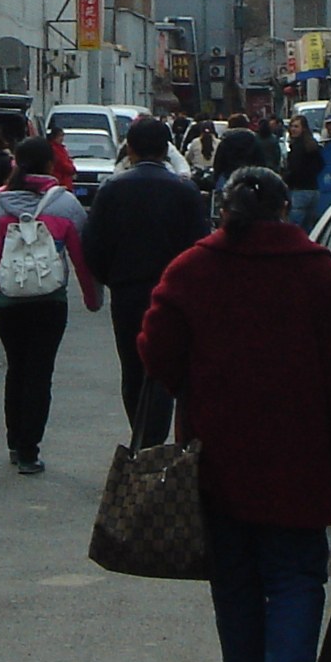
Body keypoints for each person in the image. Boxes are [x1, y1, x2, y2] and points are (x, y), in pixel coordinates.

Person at [139, 166, 331, 662]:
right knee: (296, 578)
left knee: (236, 582)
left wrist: (198, 389)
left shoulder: (191, 270)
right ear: (284, 211)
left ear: (223, 211)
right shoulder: (317, 274)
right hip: (302, 459)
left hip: (219, 456)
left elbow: (155, 348)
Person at [0, 137, 99, 475]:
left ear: (15, 164)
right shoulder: (65, 204)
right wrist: (93, 298)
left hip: (9, 300)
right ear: (50, 165)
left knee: (17, 369)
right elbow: (83, 256)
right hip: (50, 301)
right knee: (40, 373)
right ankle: (29, 451)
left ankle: (13, 441)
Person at [80, 116, 210, 444]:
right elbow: (200, 245)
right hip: (174, 295)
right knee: (166, 367)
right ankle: (155, 440)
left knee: (133, 367)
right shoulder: (185, 191)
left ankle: (142, 438)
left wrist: (113, 277)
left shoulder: (112, 189)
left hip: (128, 291)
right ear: (167, 149)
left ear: (131, 149)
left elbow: (92, 245)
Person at [281, 114, 324, 226]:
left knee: (295, 228)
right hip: (313, 189)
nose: (293, 129)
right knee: (310, 227)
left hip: (299, 191)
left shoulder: (298, 147)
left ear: (303, 128)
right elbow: (321, 164)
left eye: (296, 126)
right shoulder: (313, 145)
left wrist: (285, 179)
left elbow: (295, 169)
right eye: (292, 126)